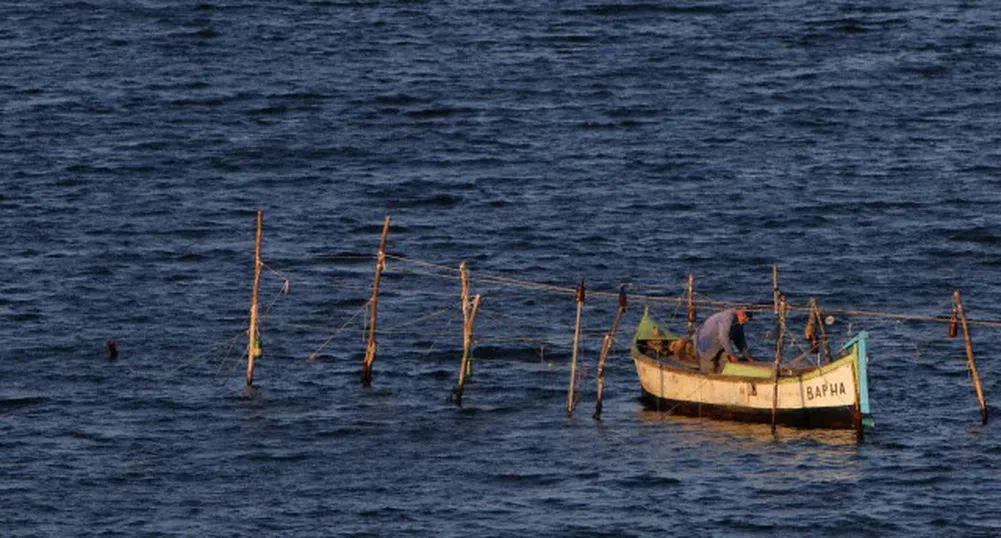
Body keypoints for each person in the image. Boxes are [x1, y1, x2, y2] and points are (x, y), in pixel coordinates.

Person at [692, 308, 754, 373]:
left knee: (726, 364)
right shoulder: (728, 317)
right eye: (745, 316)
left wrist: (748, 357)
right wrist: (731, 354)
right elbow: (723, 337)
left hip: (719, 347)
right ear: (739, 312)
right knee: (709, 370)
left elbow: (740, 341)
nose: (746, 320)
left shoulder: (739, 323)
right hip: (705, 346)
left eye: (748, 318)